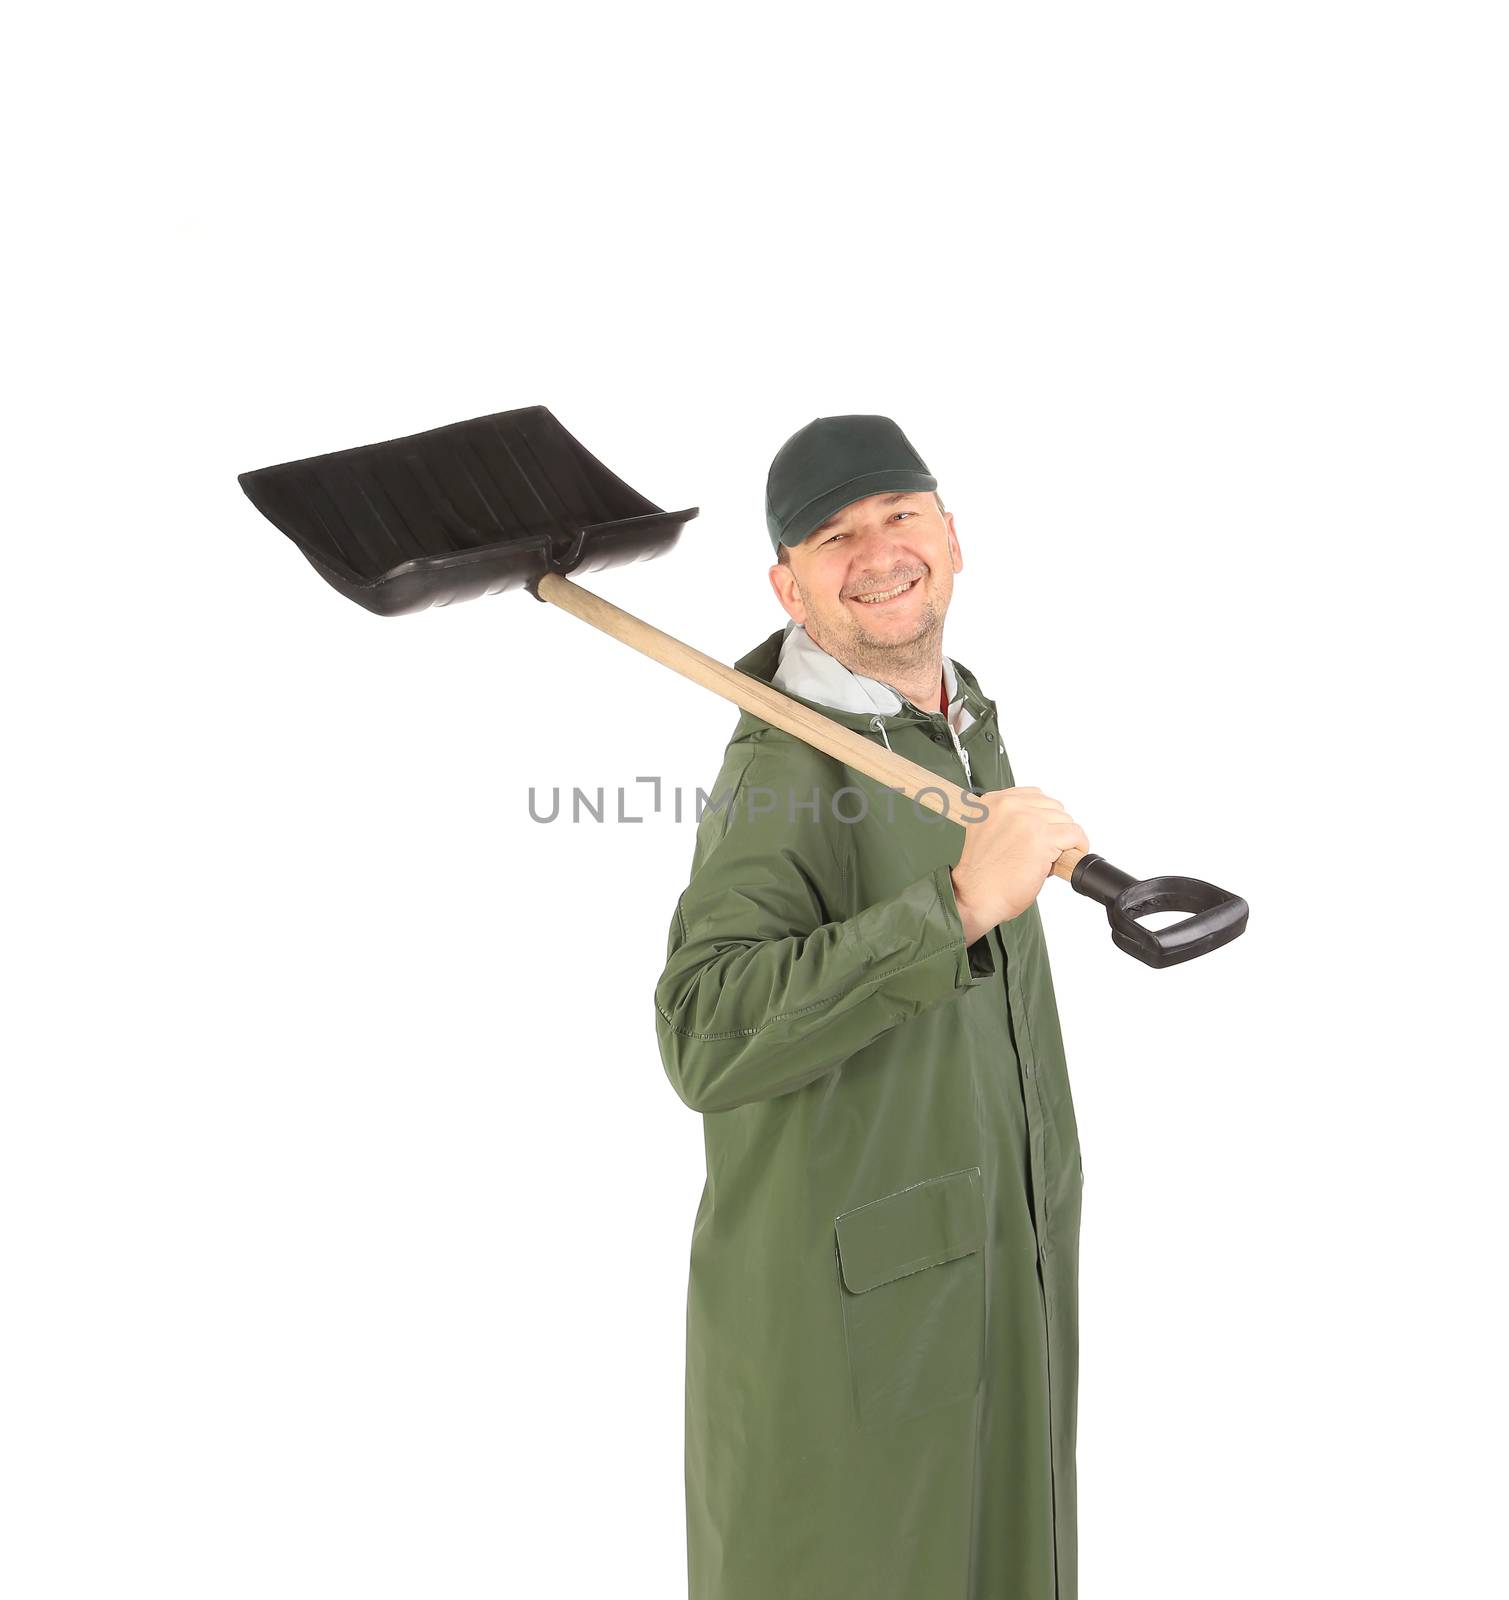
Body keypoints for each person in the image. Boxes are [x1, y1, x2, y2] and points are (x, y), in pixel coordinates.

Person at [654, 414, 1090, 1600]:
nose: (879, 550)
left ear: (950, 536)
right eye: (835, 536)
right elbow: (704, 1028)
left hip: (1002, 1282)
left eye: (900, 516)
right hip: (853, 1334)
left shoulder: (953, 722)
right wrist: (947, 912)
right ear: (789, 586)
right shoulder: (783, 771)